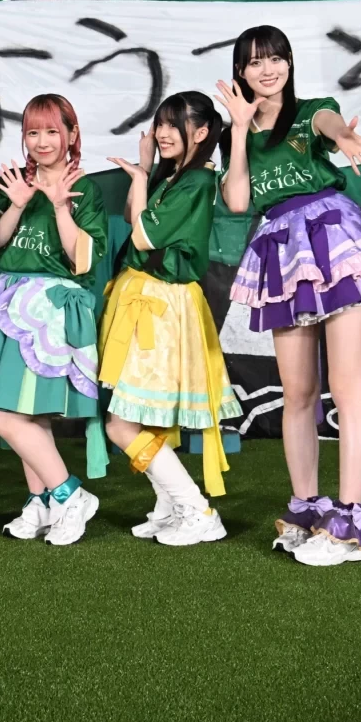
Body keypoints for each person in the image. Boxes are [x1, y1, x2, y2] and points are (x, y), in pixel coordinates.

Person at [217, 25, 361, 567]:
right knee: (298, 392)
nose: (267, 69)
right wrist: (237, 129)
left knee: (347, 388)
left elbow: (328, 122)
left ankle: (350, 517)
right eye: (255, 62)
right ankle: (306, 506)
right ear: (240, 70)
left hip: (333, 241)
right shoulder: (238, 131)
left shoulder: (310, 112)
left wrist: (345, 139)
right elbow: (236, 201)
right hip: (279, 251)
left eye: (276, 58)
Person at [0, 94, 109, 545]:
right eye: (32, 132)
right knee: (27, 416)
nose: (42, 141)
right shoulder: (15, 183)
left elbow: (82, 259)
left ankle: (70, 494)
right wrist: (17, 204)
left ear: (72, 134)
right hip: (9, 302)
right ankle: (39, 502)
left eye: (51, 131)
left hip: (48, 308)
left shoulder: (87, 187)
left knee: (9, 419)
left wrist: (61, 206)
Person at [100, 92, 240, 544]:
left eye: (173, 124)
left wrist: (142, 178)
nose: (161, 132)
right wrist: (144, 176)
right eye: (159, 123)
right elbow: (131, 216)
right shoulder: (176, 176)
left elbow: (141, 236)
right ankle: (169, 505)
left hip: (162, 305)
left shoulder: (198, 180)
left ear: (201, 133)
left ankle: (196, 509)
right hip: (150, 298)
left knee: (121, 424)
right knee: (148, 418)